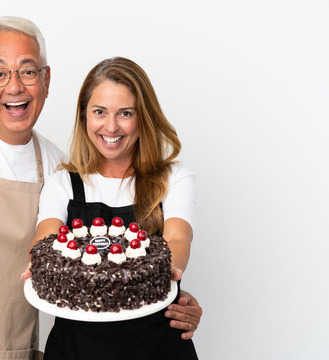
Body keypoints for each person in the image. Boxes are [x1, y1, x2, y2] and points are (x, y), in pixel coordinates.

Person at [0, 16, 201, 360]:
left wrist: (168, 288)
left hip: (15, 347)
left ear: (45, 80)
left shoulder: (53, 162)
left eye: (28, 72)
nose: (14, 85)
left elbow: (176, 243)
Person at [24, 57, 199, 359]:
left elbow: (179, 239)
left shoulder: (173, 179)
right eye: (99, 112)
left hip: (157, 348)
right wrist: (38, 263)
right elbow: (46, 239)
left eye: (125, 113)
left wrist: (166, 273)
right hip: (75, 350)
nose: (111, 126)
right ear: (84, 117)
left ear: (143, 117)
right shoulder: (63, 182)